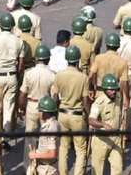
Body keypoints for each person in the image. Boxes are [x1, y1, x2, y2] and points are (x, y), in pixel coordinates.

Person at [53, 44, 90, 175]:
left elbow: (55, 97)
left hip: (62, 113)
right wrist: (88, 115)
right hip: (77, 115)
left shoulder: (59, 75)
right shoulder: (83, 77)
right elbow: (85, 100)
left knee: (63, 147)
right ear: (78, 59)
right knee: (81, 149)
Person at [0, 13, 24, 135]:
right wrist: (16, 76)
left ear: (1, 26)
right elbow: (21, 64)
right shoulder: (19, 41)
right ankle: (6, 136)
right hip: (11, 75)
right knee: (9, 107)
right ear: (12, 26)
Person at [18, 45, 55, 164]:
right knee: (45, 138)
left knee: (30, 137)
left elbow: (23, 94)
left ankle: (28, 165)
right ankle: (43, 163)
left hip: (31, 105)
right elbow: (54, 97)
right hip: (46, 108)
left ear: (36, 59)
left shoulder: (29, 73)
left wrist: (21, 109)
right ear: (48, 59)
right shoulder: (52, 75)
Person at [88, 74, 124, 175]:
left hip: (116, 139)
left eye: (115, 89)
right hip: (101, 140)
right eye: (111, 90)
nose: (113, 92)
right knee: (97, 170)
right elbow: (91, 120)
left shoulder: (118, 97)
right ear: (104, 89)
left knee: (118, 168)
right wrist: (103, 124)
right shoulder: (98, 103)